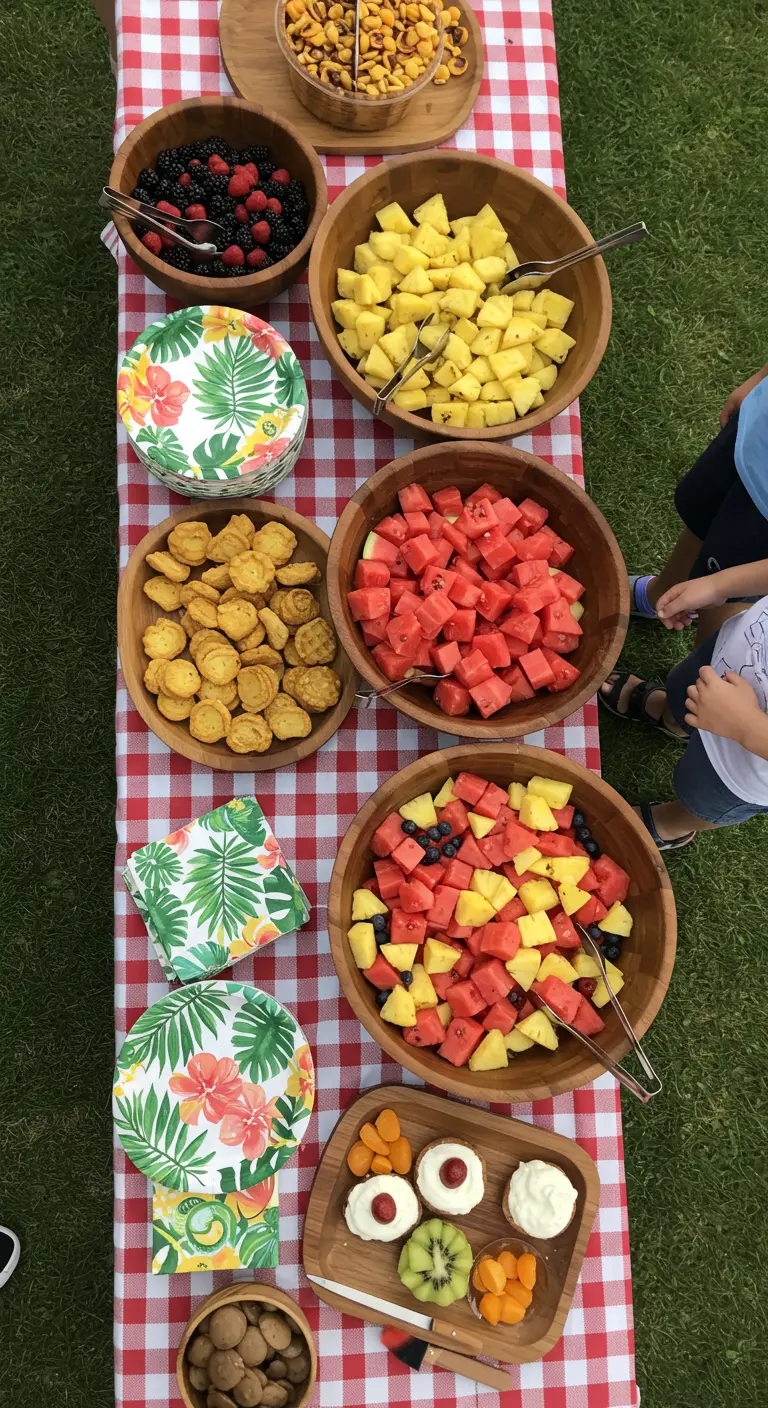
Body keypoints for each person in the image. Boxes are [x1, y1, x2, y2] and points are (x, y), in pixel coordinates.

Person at [600, 560, 768, 849]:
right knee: (683, 692)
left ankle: (668, 824)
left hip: (747, 765)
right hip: (730, 656)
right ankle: (671, 717)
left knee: (703, 795)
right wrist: (718, 586)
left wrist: (746, 725)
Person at [630, 364, 768, 643]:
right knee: (700, 520)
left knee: (728, 602)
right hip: (752, 436)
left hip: (762, 518)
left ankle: (702, 666)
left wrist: (718, 586)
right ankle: (658, 593)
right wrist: (761, 377)